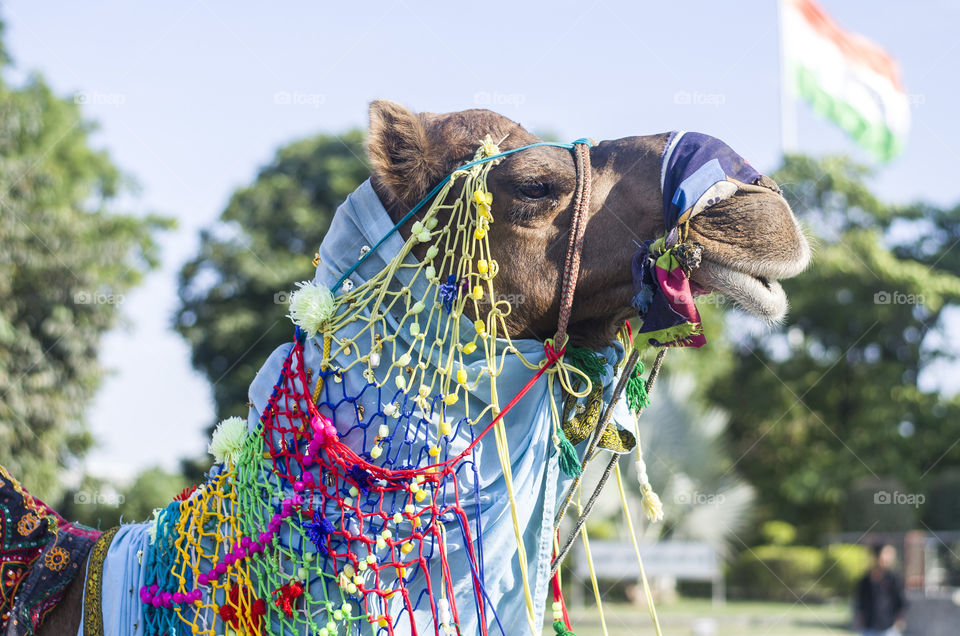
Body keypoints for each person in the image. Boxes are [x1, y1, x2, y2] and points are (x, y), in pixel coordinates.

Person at [854, 543, 907, 636]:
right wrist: (859, 621)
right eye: (886, 554)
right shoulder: (865, 580)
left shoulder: (893, 578)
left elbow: (900, 602)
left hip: (889, 628)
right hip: (869, 627)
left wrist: (899, 622)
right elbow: (860, 603)